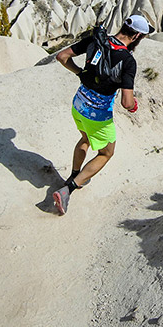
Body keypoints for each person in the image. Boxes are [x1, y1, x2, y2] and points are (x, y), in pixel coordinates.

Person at [52, 14, 154, 215]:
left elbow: (61, 56)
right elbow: (126, 102)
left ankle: (75, 175)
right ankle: (68, 189)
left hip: (78, 104)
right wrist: (134, 106)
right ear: (135, 37)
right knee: (106, 153)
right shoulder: (128, 61)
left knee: (85, 138)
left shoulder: (96, 39)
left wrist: (80, 73)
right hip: (97, 115)